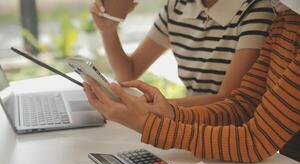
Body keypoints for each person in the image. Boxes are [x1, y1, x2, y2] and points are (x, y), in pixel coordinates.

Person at [83, 0, 300, 163]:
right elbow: (242, 106)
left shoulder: (261, 10)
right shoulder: (286, 18)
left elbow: (255, 140)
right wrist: (167, 112)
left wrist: (148, 123)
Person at [90, 0, 275, 107]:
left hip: (233, 132)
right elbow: (128, 72)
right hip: (191, 123)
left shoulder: (257, 8)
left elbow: (229, 102)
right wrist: (108, 30)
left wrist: (145, 107)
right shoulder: (177, 6)